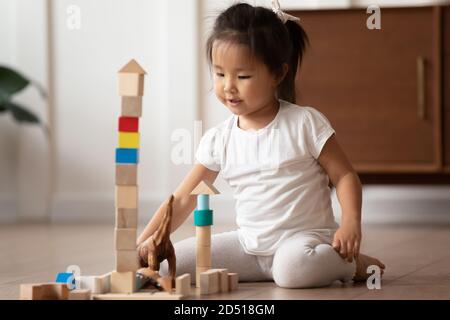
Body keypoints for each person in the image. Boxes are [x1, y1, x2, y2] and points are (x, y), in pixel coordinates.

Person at [137, 1, 385, 288]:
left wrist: (351, 223)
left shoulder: (304, 123)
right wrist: (145, 242)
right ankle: (300, 267)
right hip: (249, 247)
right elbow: (182, 198)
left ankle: (349, 262)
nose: (228, 85)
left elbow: (344, 176)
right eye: (219, 74)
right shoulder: (219, 139)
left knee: (292, 270)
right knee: (176, 264)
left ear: (277, 74)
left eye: (242, 76)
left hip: (303, 243)